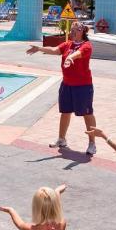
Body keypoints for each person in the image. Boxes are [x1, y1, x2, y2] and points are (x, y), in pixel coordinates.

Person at [26, 21, 97, 156]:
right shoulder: (68, 44)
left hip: (83, 86)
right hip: (67, 84)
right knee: (65, 112)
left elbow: (78, 54)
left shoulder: (86, 46)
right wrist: (39, 49)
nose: (72, 32)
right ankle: (61, 139)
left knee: (87, 114)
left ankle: (92, 143)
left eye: (75, 30)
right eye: (71, 30)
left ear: (82, 32)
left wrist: (70, 57)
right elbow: (54, 50)